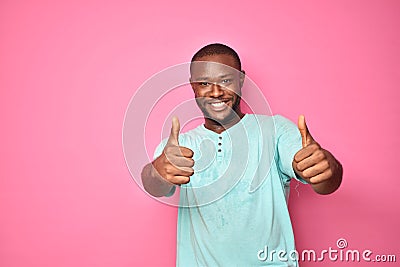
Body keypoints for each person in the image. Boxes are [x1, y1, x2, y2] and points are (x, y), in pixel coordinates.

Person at [141, 43, 343, 266]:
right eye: (205, 83)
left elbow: (326, 181)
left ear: (241, 80)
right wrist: (156, 173)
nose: (216, 92)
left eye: (226, 81)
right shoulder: (180, 144)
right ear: (193, 87)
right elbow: (154, 186)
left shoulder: (275, 130)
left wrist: (327, 169)